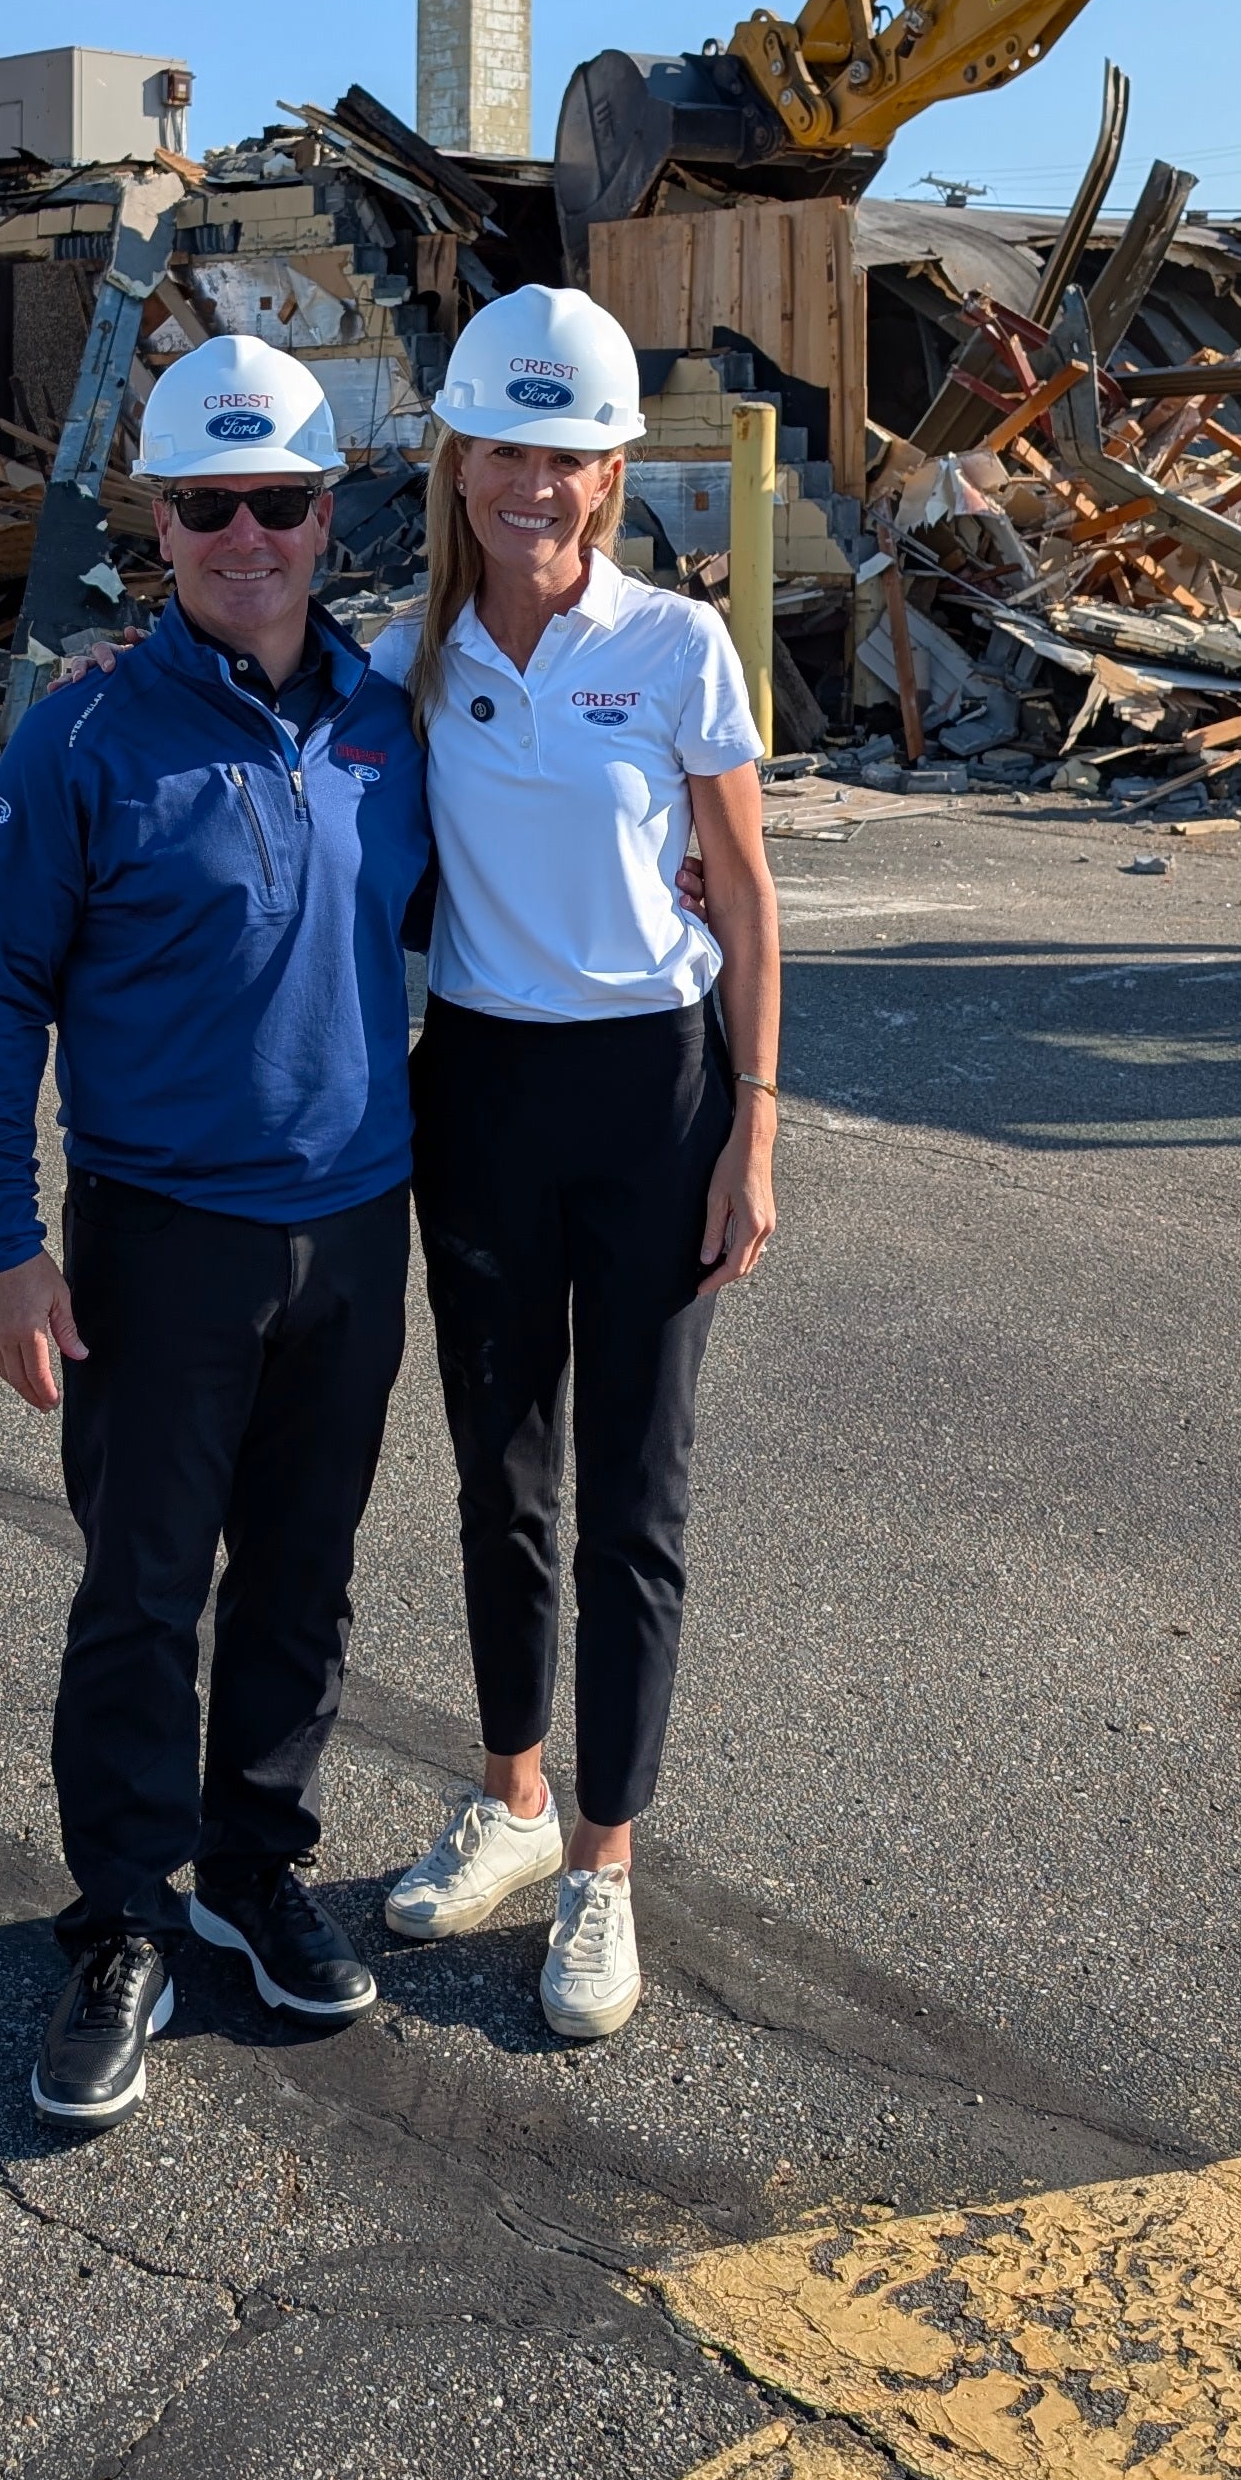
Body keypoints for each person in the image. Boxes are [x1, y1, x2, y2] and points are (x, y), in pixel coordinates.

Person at [0, 333, 432, 2128]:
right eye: (209, 505)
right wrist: (3, 1239)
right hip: (158, 1239)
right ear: (156, 522)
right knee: (145, 1595)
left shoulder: (387, 724)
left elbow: (489, 896)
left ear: (327, 517)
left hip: (355, 1228)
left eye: (279, 503)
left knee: (304, 1575)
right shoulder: (82, 734)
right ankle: (125, 1920)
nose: (247, 539)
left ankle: (254, 1868)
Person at [370, 283, 778, 2041]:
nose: (531, 485)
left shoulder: (678, 648)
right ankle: (515, 1800)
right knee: (500, 1476)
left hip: (653, 1097)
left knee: (635, 1492)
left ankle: (604, 1865)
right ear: (458, 462)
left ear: (610, 474)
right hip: (478, 1091)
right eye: (502, 452)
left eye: (567, 457)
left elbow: (744, 892)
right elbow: (268, 716)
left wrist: (755, 1125)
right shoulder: (410, 657)